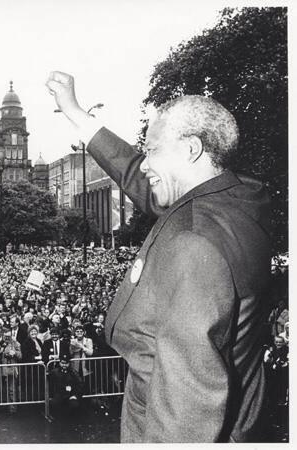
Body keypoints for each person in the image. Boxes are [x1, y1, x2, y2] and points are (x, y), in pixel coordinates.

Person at [46, 71, 272, 442]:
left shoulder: (195, 243)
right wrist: (74, 111)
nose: (144, 163)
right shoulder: (239, 196)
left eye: (152, 150)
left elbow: (187, 407)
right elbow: (137, 176)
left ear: (191, 149)